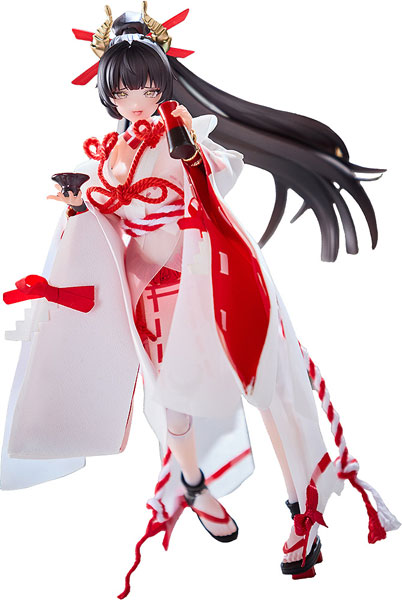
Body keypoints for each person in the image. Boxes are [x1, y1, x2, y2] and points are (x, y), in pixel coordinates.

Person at [1, 4, 399, 597]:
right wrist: (83, 196)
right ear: (109, 94)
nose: (138, 99)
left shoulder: (180, 129)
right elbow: (105, 204)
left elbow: (218, 177)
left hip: (208, 277)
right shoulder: (109, 149)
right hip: (148, 291)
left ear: (163, 82)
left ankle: (303, 503)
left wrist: (189, 151)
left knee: (263, 381)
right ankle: (191, 481)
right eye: (124, 91)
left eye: (147, 87)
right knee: (173, 396)